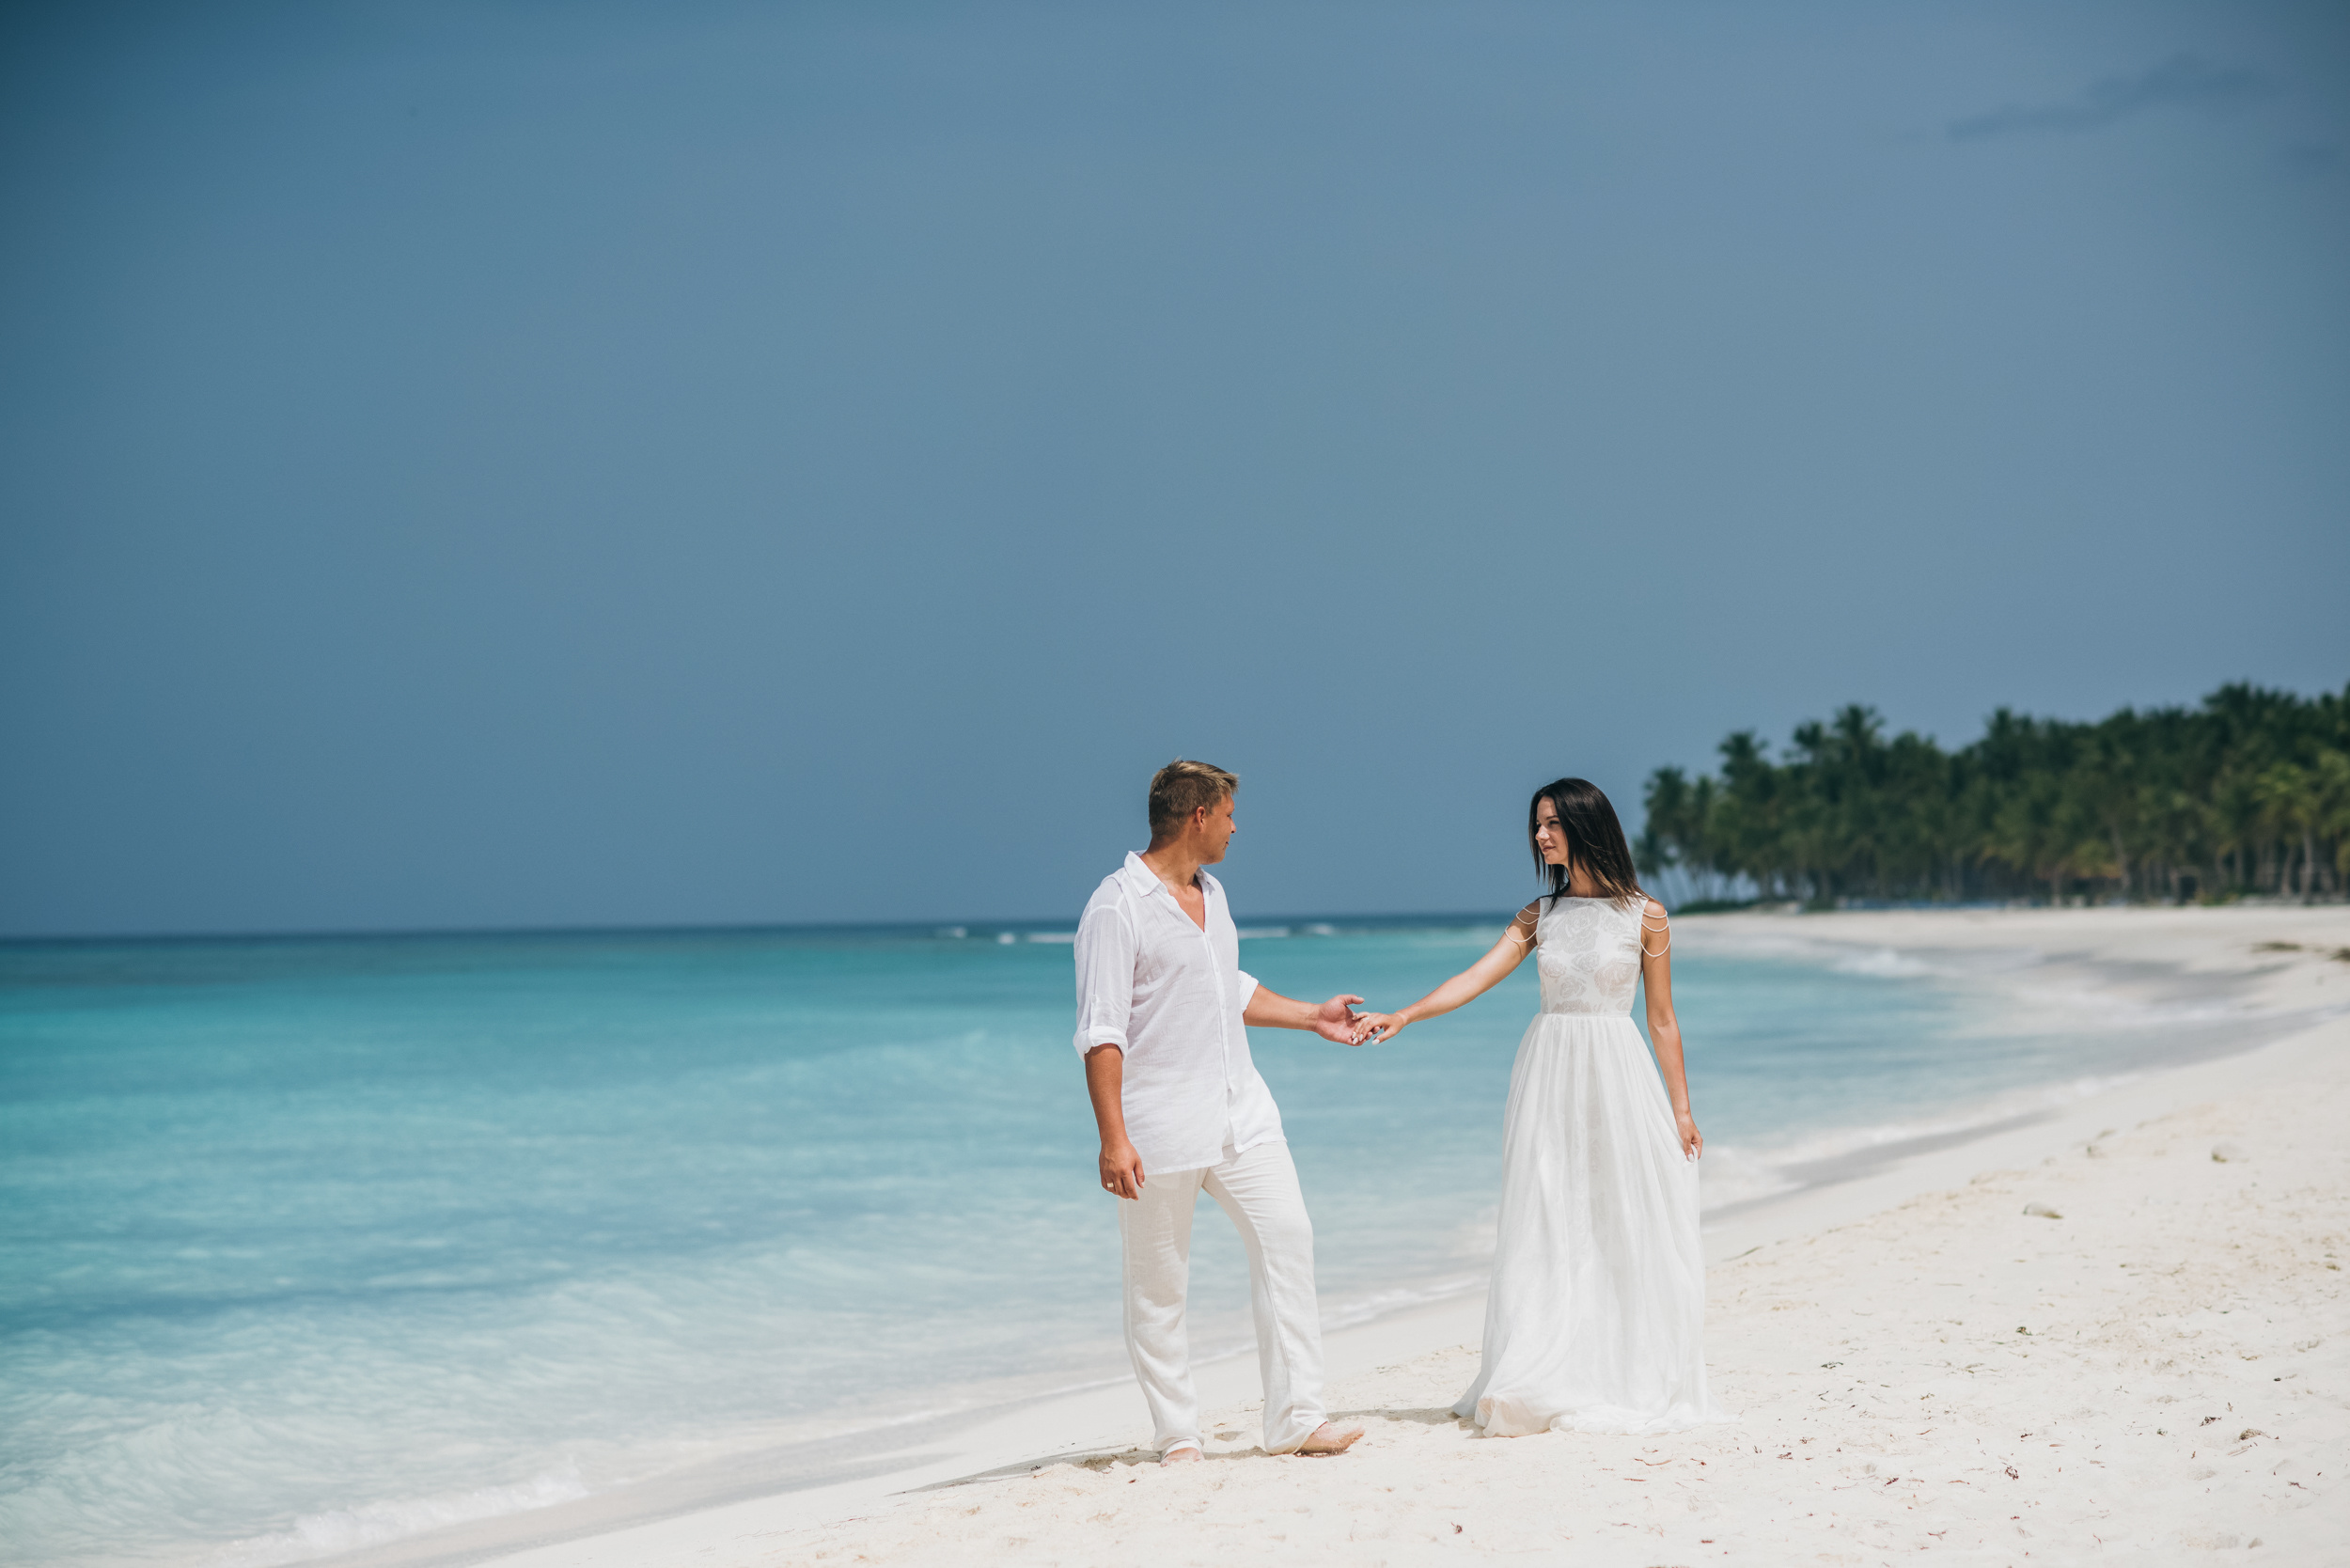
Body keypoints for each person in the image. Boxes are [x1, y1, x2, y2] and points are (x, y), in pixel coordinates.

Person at [1355, 777, 1726, 1436]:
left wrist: (1682, 1109)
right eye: (1537, 824)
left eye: (1552, 823)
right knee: (1550, 1214)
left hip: (1618, 1074)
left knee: (1619, 1215)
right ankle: (1545, 1358)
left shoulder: (1646, 915)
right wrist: (1407, 1013)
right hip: (1549, 1075)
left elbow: (1662, 1020)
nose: (1540, 835)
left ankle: (1618, 1365)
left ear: (1587, 826)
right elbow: (1476, 976)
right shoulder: (1540, 915)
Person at [1074, 760, 1369, 1466]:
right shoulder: (1115, 907)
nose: (1237, 827)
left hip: (1244, 1113)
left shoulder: (1214, 893)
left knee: (1287, 1238)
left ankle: (1297, 1419)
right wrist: (1113, 1138)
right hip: (1159, 1126)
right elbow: (1101, 1029)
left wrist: (1312, 1016)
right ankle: (1177, 1435)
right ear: (1198, 816)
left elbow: (1224, 988)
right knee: (1159, 1287)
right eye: (1229, 814)